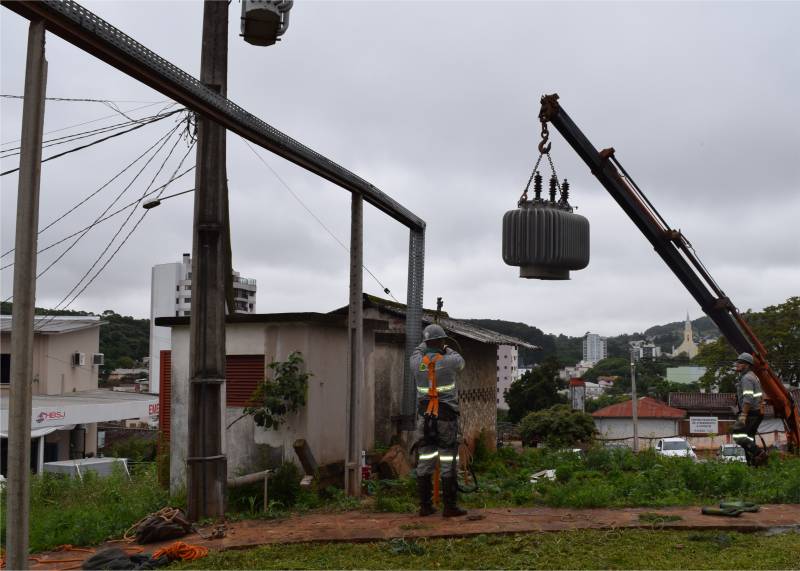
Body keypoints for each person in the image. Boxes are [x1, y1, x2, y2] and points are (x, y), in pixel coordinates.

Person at [411, 323, 467, 517]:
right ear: (441, 341)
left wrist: (428, 343)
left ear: (426, 342)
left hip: (424, 419)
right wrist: (446, 348)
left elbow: (418, 349)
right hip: (445, 417)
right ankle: (450, 507)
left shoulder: (415, 362)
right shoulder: (450, 361)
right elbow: (461, 362)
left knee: (425, 459)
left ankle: (425, 506)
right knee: (448, 460)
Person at [731, 352, 767, 466]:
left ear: (747, 365)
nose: (737, 364)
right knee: (749, 438)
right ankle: (753, 464)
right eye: (737, 362)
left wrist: (743, 415)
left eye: (740, 362)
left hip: (751, 412)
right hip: (756, 412)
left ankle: (759, 453)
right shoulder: (751, 376)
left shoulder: (747, 378)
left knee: (737, 434)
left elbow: (748, 398)